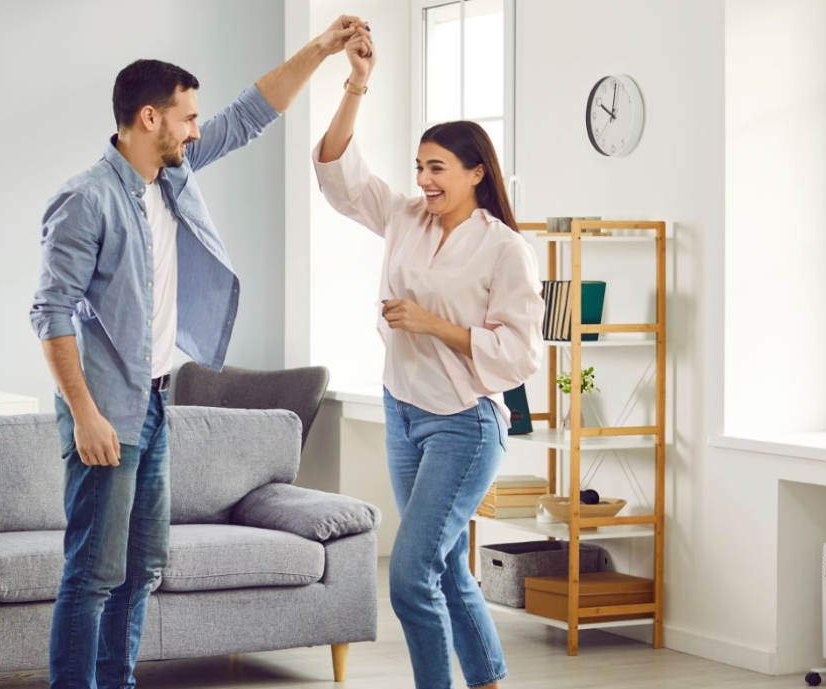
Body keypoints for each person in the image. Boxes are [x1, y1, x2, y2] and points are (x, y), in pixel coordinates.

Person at [28, 16, 364, 689]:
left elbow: (250, 113)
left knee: (142, 563)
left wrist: (324, 50)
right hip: (105, 412)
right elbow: (50, 312)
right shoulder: (87, 199)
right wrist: (85, 414)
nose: (197, 130)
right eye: (187, 118)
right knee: (93, 570)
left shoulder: (171, 177)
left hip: (154, 405)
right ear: (149, 118)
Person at [313, 23, 543, 689]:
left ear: (476, 172)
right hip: (403, 410)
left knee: (411, 573)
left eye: (436, 167)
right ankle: (490, 680)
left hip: (464, 423)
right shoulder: (405, 216)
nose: (423, 179)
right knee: (443, 567)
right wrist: (357, 82)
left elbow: (521, 353)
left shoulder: (505, 248)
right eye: (418, 166)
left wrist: (433, 324)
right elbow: (336, 172)